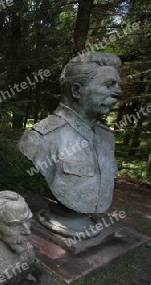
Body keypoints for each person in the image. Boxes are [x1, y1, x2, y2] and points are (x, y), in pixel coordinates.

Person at [17, 51, 122, 237]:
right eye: (108, 85)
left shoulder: (107, 137)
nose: (118, 92)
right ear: (76, 90)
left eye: (117, 85)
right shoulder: (40, 137)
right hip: (58, 218)